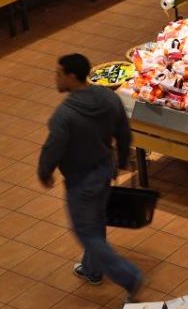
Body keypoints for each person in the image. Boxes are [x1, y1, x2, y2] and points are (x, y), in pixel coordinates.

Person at [37, 54, 142, 302]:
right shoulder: (108, 98)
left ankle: (129, 276)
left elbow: (52, 148)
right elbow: (124, 132)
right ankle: (92, 269)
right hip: (104, 170)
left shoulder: (65, 115)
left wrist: (44, 172)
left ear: (72, 77)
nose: (56, 78)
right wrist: (123, 159)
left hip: (81, 180)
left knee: (86, 232)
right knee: (95, 221)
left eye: (58, 73)